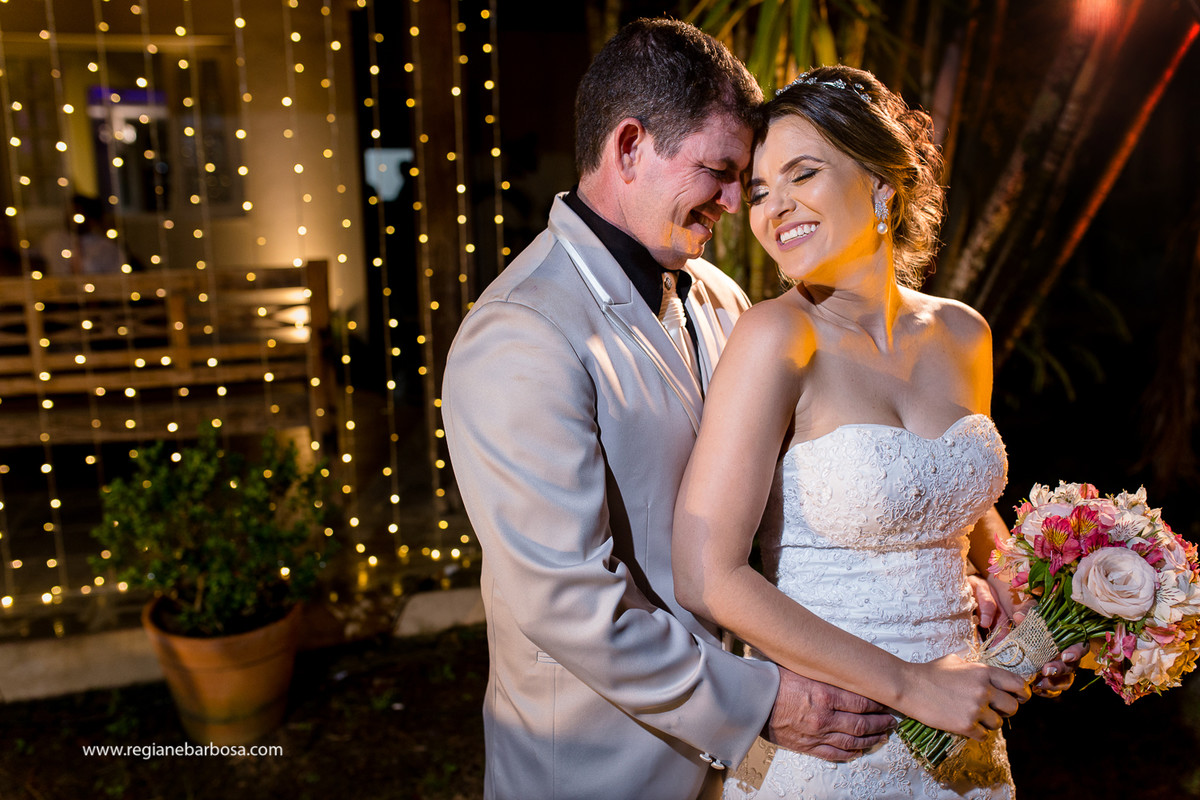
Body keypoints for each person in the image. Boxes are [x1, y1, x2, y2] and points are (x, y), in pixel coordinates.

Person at [442, 22, 897, 800]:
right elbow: (569, 601)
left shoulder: (718, 295)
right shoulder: (520, 332)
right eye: (721, 171)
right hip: (601, 768)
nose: (735, 201)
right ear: (628, 146)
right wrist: (762, 702)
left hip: (747, 767)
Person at [671, 66, 1044, 798]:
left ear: (881, 184)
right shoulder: (776, 336)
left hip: (965, 740)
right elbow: (706, 573)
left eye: (801, 175)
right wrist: (910, 687)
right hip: (837, 743)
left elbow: (954, 506)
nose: (775, 208)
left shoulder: (963, 334)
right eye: (759, 191)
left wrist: (1026, 591)